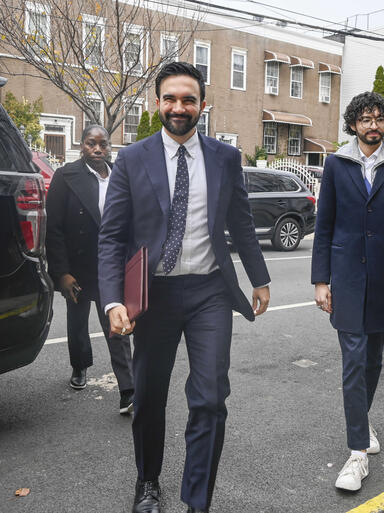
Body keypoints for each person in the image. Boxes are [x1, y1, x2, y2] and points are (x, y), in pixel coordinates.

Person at [98, 62, 271, 513]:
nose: (179, 107)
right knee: (149, 394)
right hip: (152, 296)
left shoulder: (225, 158)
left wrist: (260, 278)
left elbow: (241, 223)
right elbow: (112, 236)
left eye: (189, 99)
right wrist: (115, 298)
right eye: (171, 98)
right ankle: (147, 482)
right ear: (157, 103)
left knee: (211, 397)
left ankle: (197, 500)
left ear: (203, 105)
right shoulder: (132, 160)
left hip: (209, 292)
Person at [312, 91, 384, 492]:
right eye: (365, 119)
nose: (372, 125)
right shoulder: (337, 163)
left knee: (373, 361)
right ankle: (357, 452)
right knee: (355, 362)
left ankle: (363, 419)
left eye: (379, 118)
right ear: (353, 124)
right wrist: (320, 279)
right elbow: (324, 225)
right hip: (345, 278)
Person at [46, 125, 134, 413]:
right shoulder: (65, 176)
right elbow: (54, 229)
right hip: (79, 266)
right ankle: (80, 366)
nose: (97, 149)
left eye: (103, 144)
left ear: (109, 147)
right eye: (90, 143)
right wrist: (62, 273)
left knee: (117, 325)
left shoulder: (120, 176)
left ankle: (128, 388)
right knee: (78, 320)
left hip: (112, 265)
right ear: (81, 145)